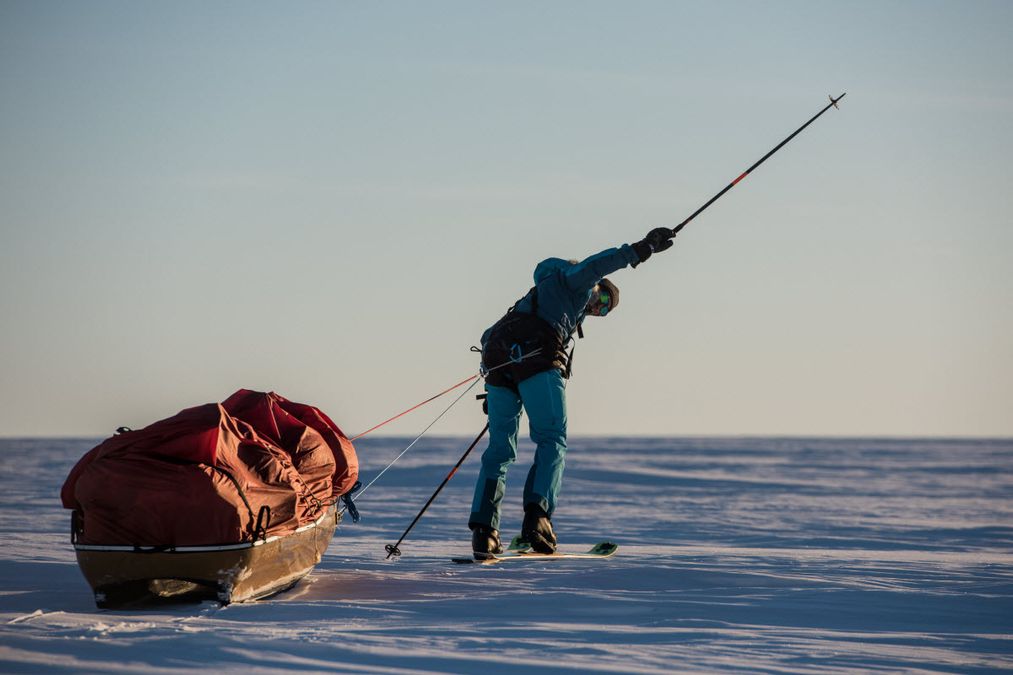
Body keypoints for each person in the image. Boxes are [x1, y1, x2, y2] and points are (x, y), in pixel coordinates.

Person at [468, 226, 676, 558]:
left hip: (498, 363)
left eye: (605, 310)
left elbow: (488, 335)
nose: (599, 308)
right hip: (536, 359)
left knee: (499, 451)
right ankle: (538, 519)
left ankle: (484, 532)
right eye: (604, 300)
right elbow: (595, 265)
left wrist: (497, 387)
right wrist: (639, 250)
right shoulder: (575, 282)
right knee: (552, 438)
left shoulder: (533, 298)